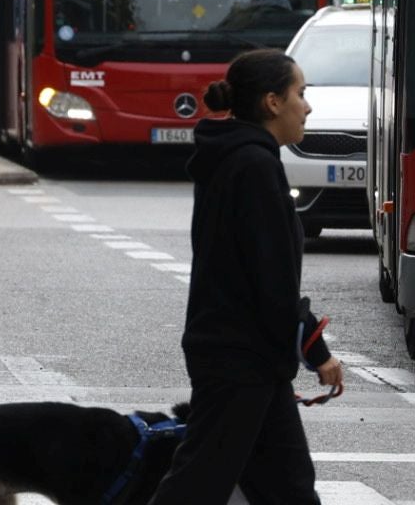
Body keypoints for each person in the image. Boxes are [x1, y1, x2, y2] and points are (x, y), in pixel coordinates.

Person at [145, 49, 343, 505]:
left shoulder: (236, 156)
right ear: (273, 102)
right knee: (198, 484)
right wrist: (316, 349)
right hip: (238, 356)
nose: (307, 106)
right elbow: (271, 278)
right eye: (301, 93)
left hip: (252, 356)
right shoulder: (253, 165)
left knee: (288, 487)